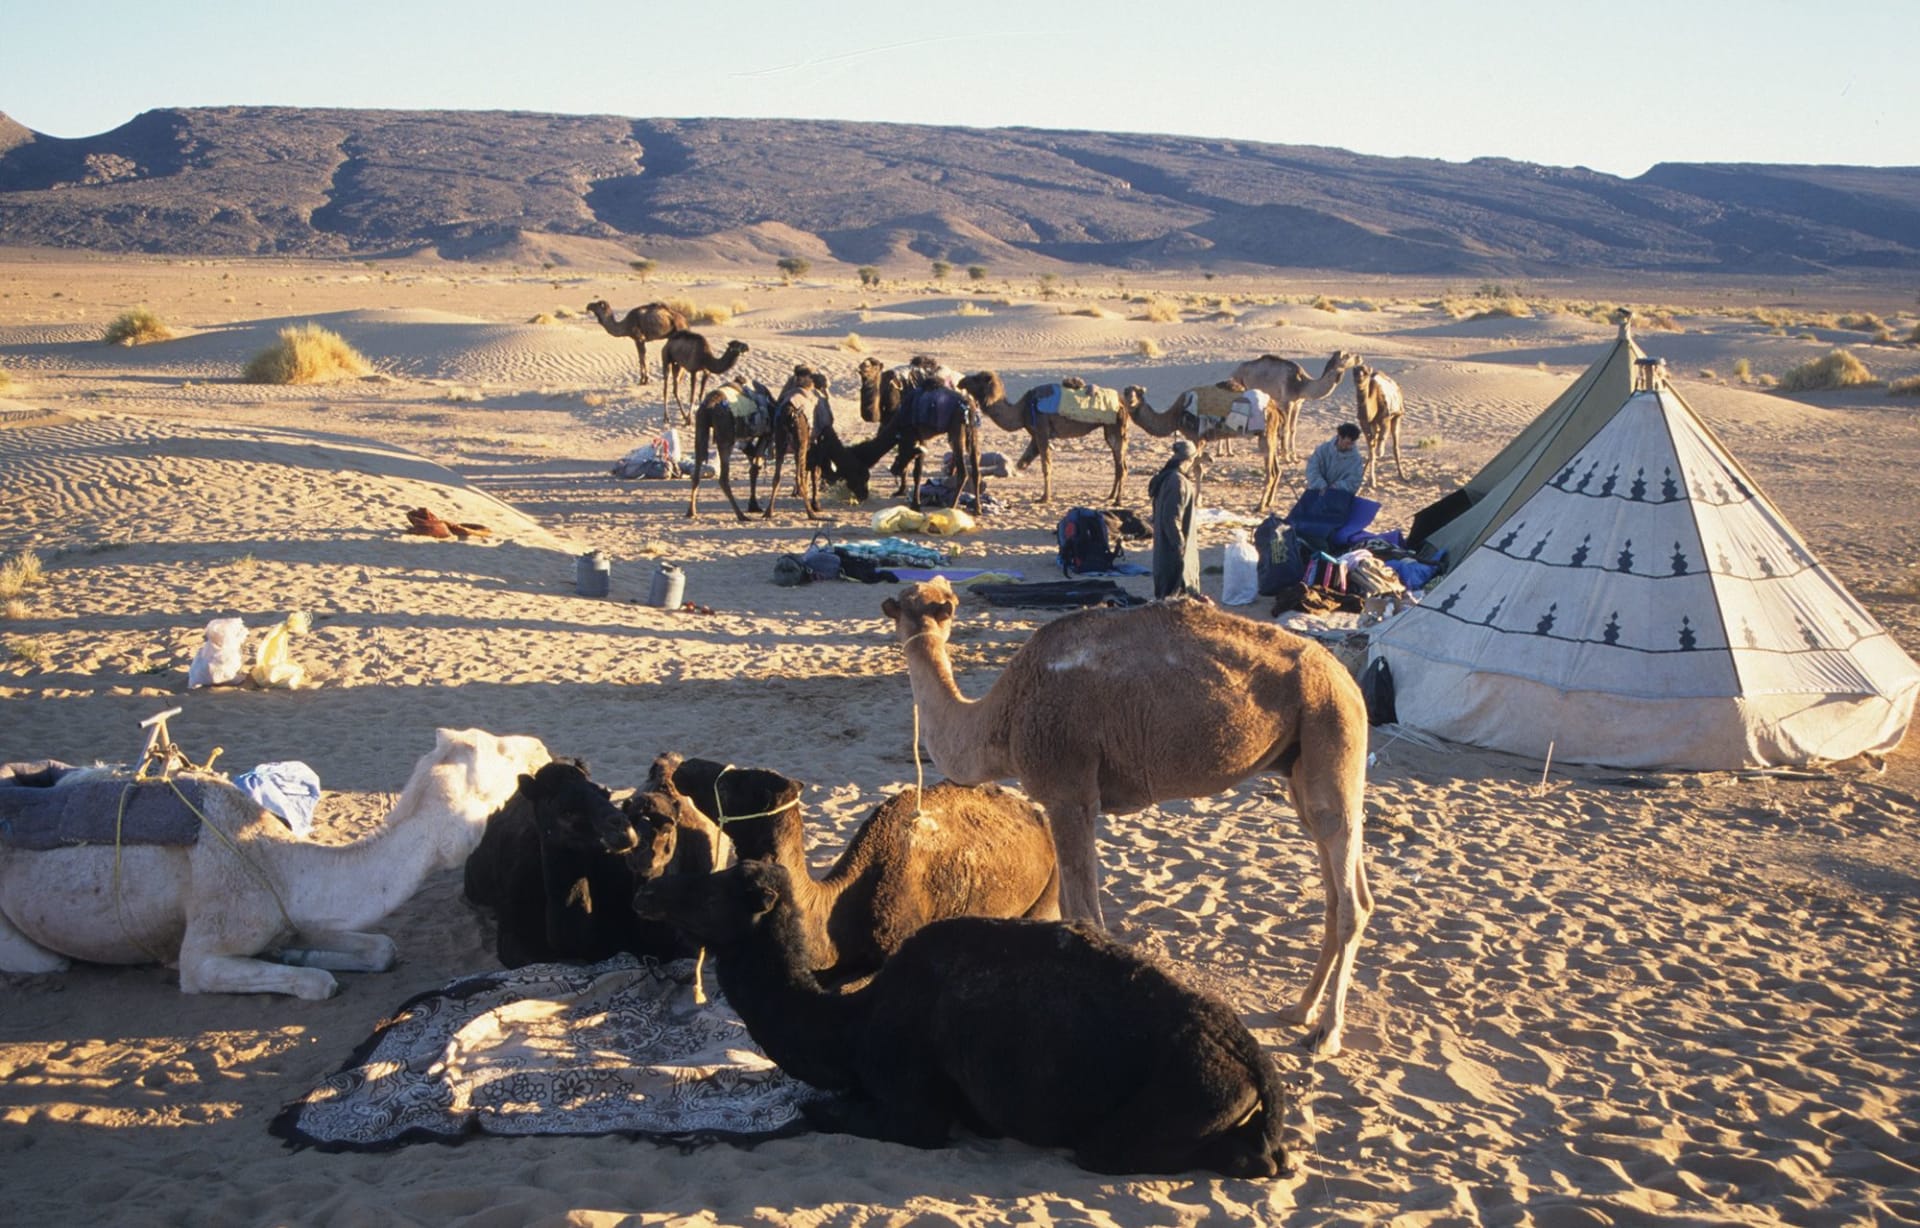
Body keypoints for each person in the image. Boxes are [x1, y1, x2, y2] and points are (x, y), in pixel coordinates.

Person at [1148, 439, 1203, 600]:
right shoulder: (1177, 482)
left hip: (1166, 555)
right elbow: (1171, 519)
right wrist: (1180, 548)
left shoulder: (1168, 478)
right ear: (1190, 460)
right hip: (1173, 558)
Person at [1305, 423, 1366, 494]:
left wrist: (1337, 487)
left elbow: (1354, 481)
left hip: (1339, 496)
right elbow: (1312, 469)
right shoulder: (1322, 450)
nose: (1349, 446)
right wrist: (1321, 485)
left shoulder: (1356, 459)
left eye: (1352, 444)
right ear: (1339, 437)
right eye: (1347, 443)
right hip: (1317, 491)